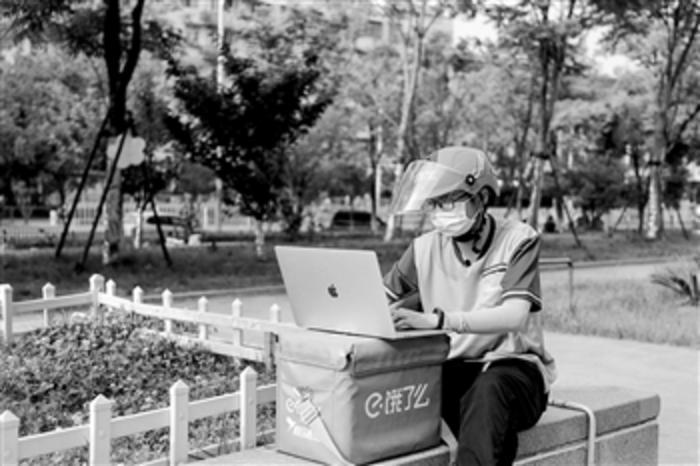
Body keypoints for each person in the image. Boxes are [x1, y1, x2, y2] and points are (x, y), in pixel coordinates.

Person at [383, 146, 556, 465]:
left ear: (481, 197)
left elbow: (515, 316)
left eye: (448, 201)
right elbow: (381, 297)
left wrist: (438, 321)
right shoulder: (423, 248)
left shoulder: (519, 239)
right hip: (455, 370)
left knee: (489, 392)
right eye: (433, 203)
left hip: (514, 370)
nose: (438, 212)